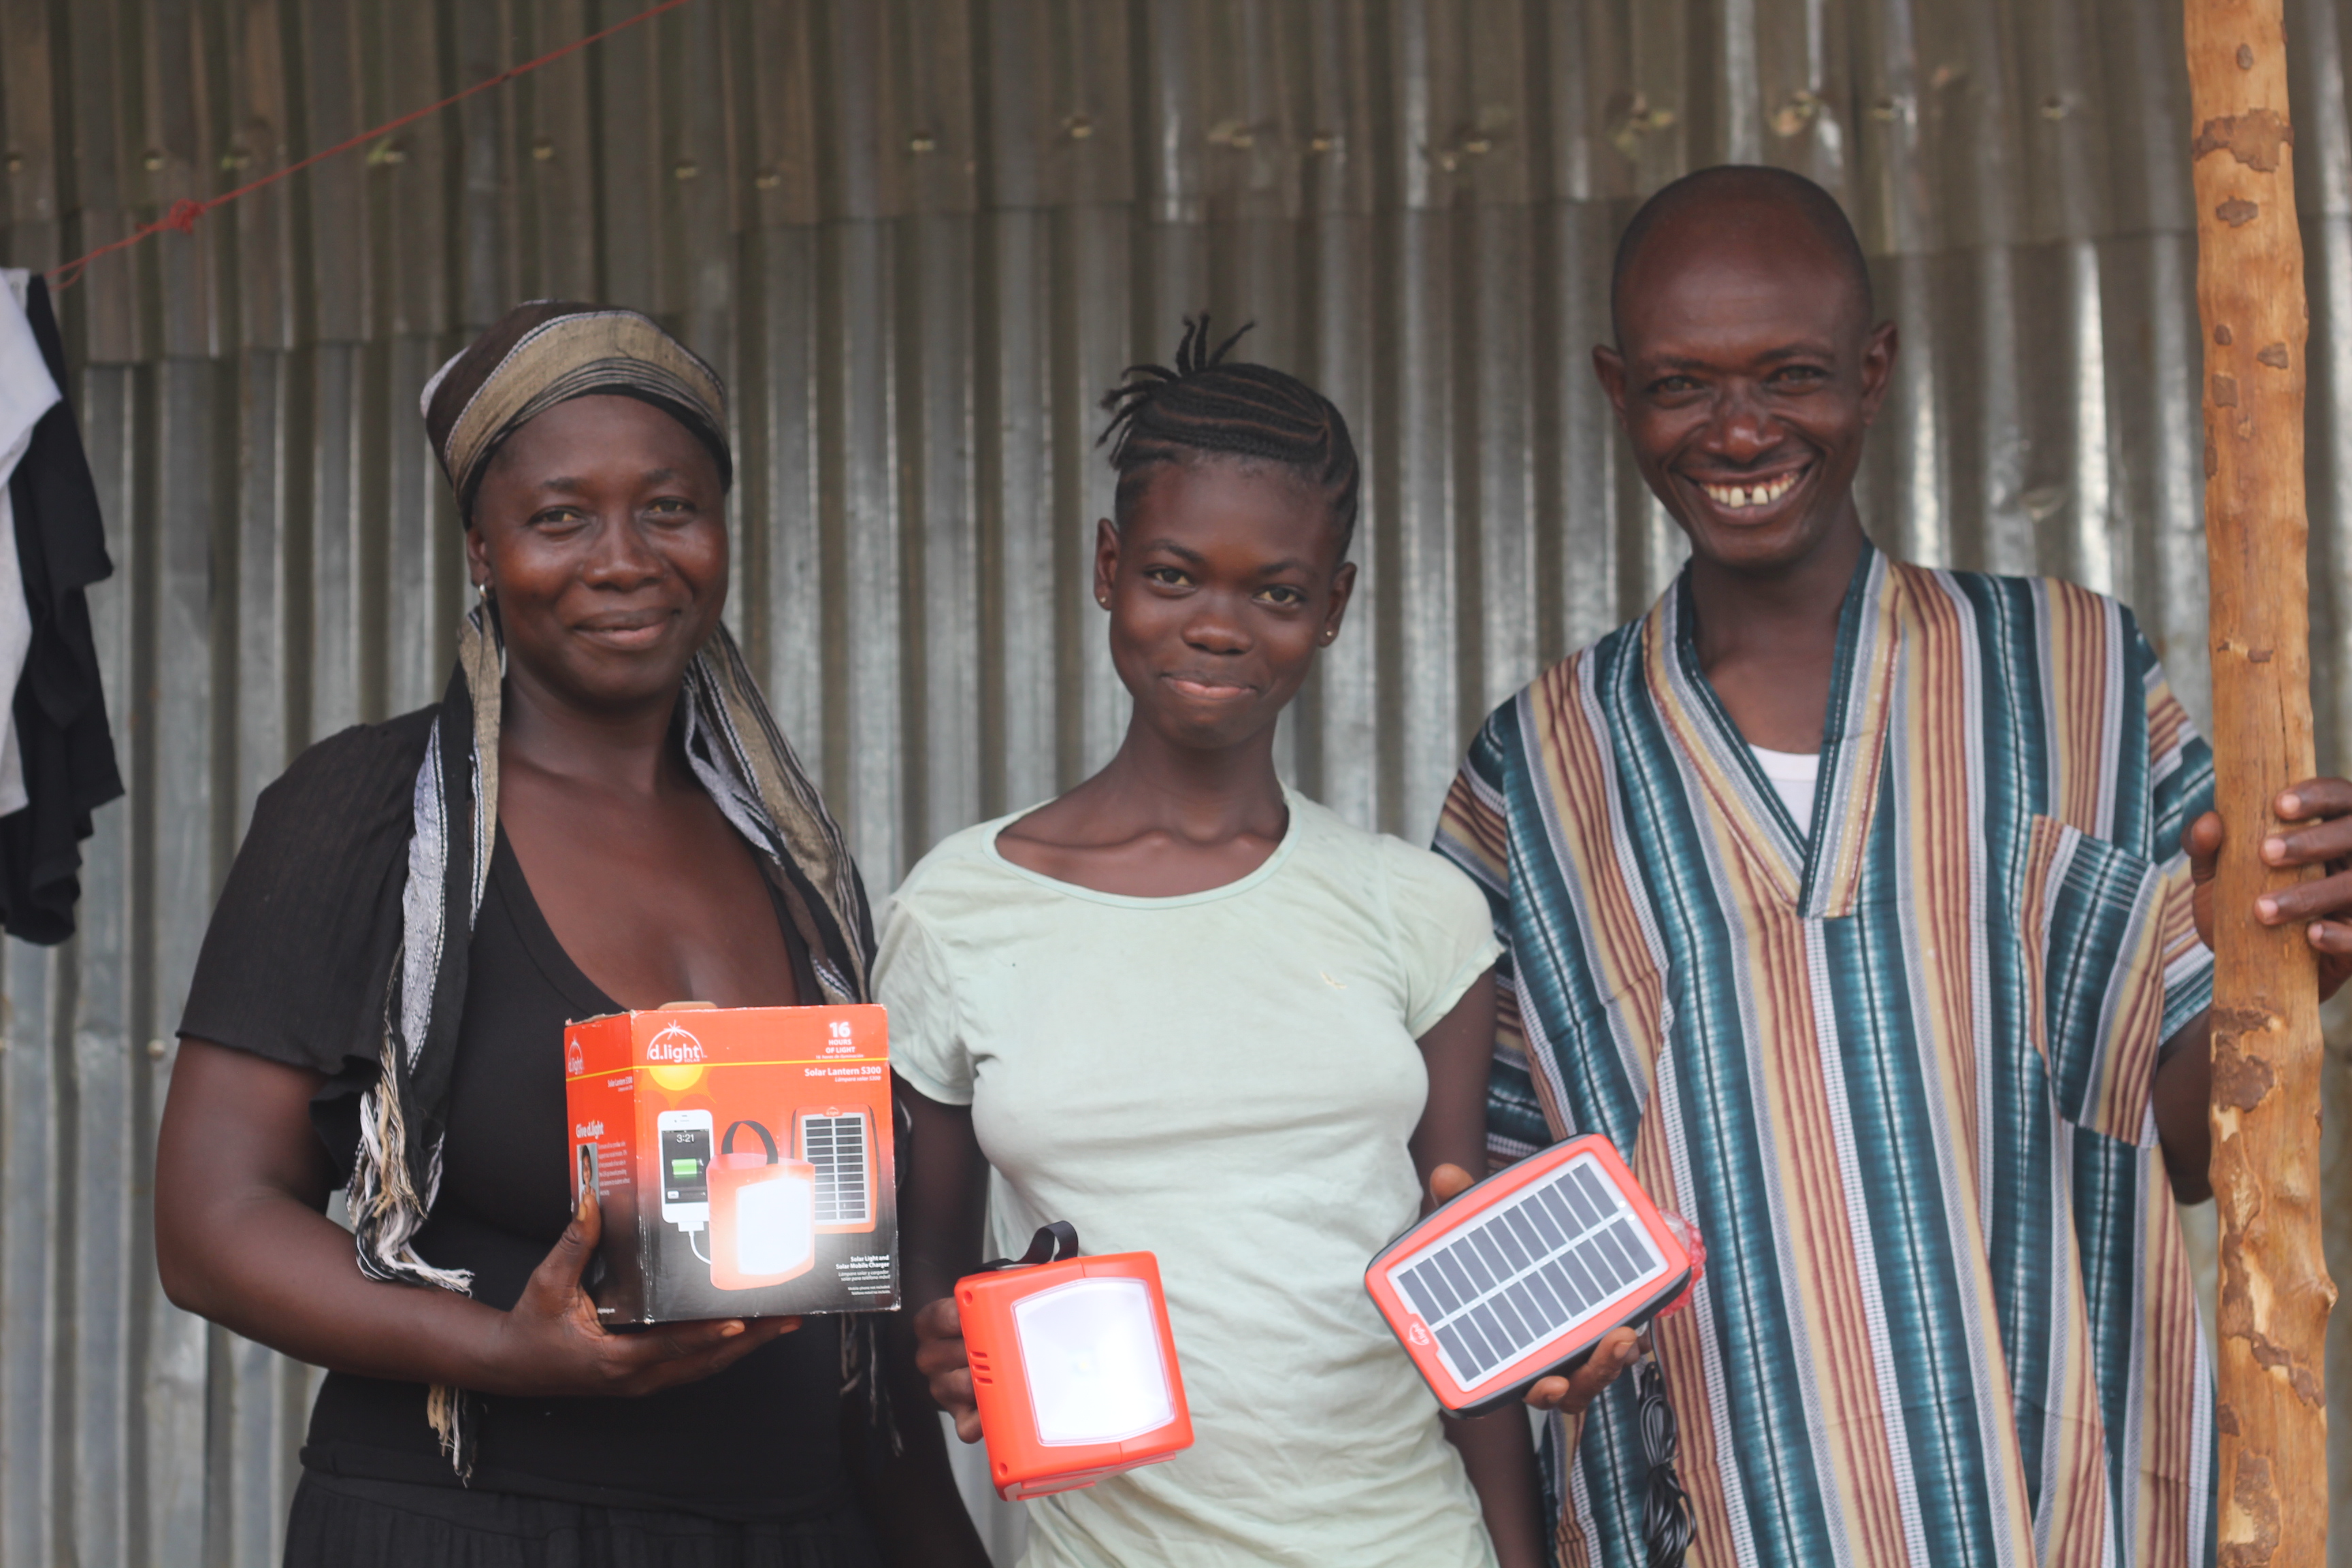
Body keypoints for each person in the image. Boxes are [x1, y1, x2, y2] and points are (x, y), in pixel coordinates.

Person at [1435, 165, 2352, 1567]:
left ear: (1873, 372)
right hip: (1713, 1522)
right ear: (1619, 392)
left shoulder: (2078, 673)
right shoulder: (1539, 773)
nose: (1740, 429)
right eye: (1684, 385)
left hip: (2065, 1515)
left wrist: (2283, 968)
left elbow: (2184, 1143)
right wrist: (1545, 1344)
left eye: (1790, 375)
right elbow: (1494, 1220)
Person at [154, 302, 986, 1567]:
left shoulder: (791, 853)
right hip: (479, 1523)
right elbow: (211, 1226)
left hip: (798, 1526)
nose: (624, 558)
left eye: (670, 508)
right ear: (482, 551)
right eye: (560, 518)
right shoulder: (375, 815)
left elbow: (844, 1308)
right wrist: (507, 1346)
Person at [885, 319, 1633, 1568]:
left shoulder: (1417, 912)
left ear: (1332, 607)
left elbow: (1464, 1317)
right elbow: (919, 1298)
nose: (1221, 626)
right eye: (1176, 576)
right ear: (1109, 567)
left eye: (1277, 591)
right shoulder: (959, 912)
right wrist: (941, 1338)